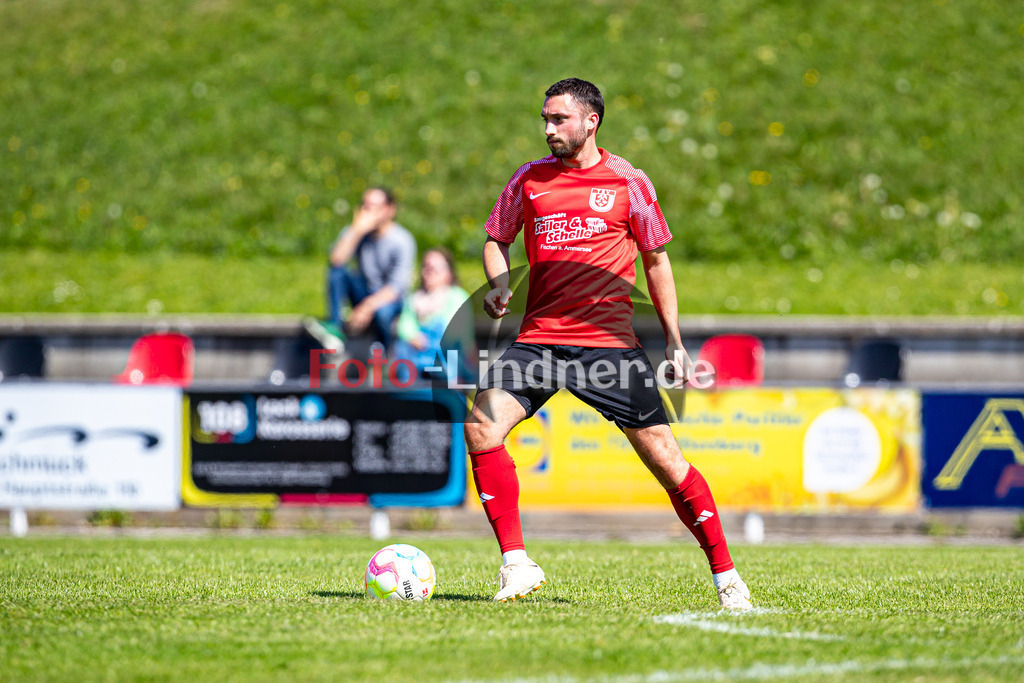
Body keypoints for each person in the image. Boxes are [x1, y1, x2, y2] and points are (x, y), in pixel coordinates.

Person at [464, 78, 753, 608]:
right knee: (482, 427)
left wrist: (674, 341)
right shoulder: (529, 180)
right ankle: (516, 564)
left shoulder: (628, 181)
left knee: (667, 462)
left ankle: (727, 577)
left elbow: (657, 259)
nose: (549, 129)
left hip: (608, 348)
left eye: (559, 120)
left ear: (590, 121)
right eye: (545, 120)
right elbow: (495, 238)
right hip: (541, 342)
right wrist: (500, 281)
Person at [306, 187, 416, 351]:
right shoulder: (358, 231)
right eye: (365, 206)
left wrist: (367, 307)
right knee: (338, 272)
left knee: (383, 312)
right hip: (365, 290)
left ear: (389, 209)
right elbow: (336, 260)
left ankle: (386, 353)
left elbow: (397, 287)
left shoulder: (401, 240)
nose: (368, 212)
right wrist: (356, 230)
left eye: (374, 207)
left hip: (390, 300)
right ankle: (335, 328)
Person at [391, 247, 474, 381]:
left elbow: (456, 332)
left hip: (445, 352)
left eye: (436, 267)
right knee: (402, 350)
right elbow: (404, 325)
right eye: (427, 267)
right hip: (417, 354)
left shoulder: (457, 296)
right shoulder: (414, 298)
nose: (431, 271)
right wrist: (412, 336)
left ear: (449, 272)